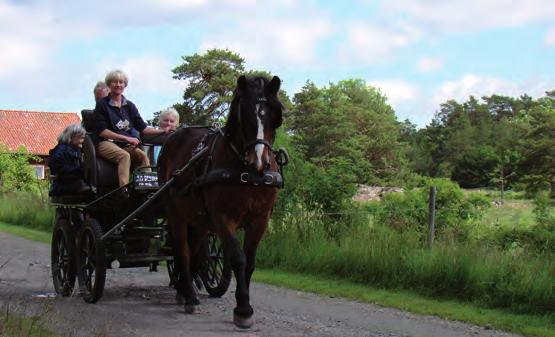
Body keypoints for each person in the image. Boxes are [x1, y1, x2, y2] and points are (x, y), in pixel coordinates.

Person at [94, 69, 171, 188]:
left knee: (142, 156)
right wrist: (126, 139)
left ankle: (148, 188)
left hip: (124, 145)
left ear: (125, 85)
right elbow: (102, 131)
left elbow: (143, 128)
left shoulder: (129, 106)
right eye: (115, 82)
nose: (118, 85)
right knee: (124, 156)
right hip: (105, 143)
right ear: (109, 84)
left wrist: (162, 131)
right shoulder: (102, 105)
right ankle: (124, 191)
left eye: (121, 82)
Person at [48, 124, 90, 196]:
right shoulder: (61, 150)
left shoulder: (77, 149)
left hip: (75, 182)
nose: (82, 141)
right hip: (63, 185)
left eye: (83, 138)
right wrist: (79, 170)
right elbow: (58, 169)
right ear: (71, 136)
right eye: (80, 138)